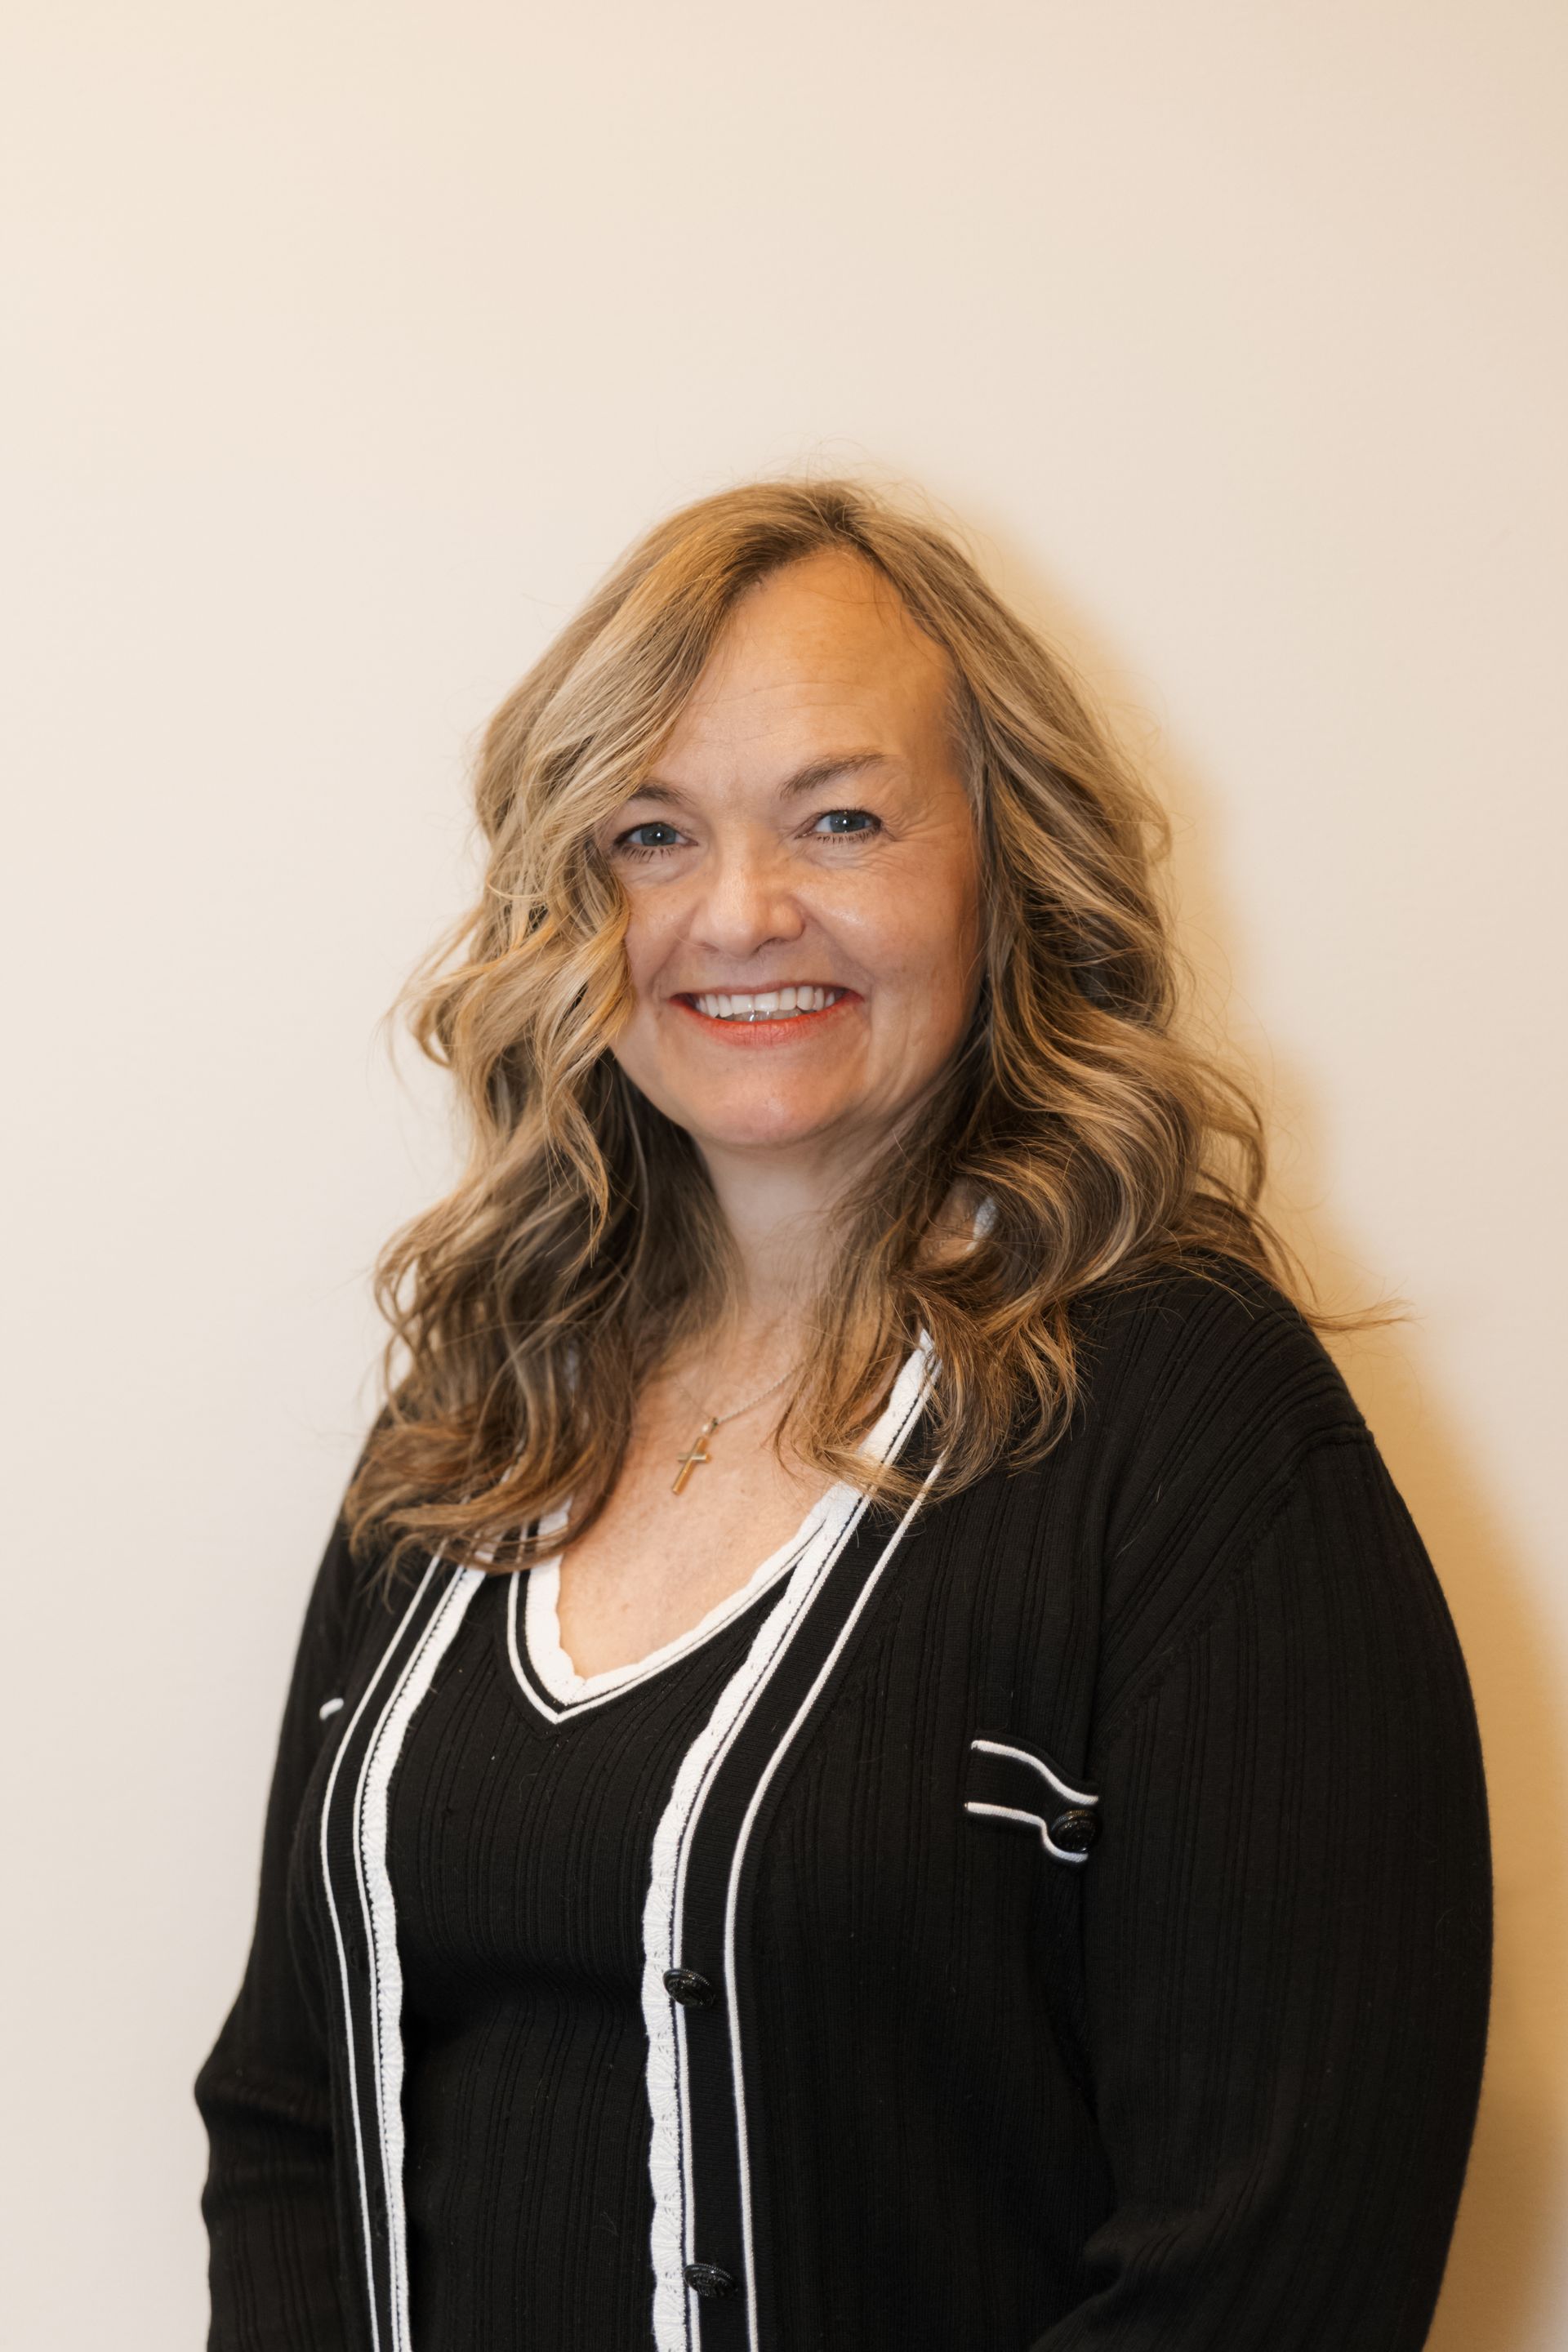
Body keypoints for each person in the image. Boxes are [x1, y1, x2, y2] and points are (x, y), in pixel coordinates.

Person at [196, 479, 1490, 2352]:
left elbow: (1273, 2263)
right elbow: (288, 2114)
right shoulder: (477, 1417)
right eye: (652, 832)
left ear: (1006, 864)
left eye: (845, 817)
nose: (740, 912)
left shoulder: (1190, 1434)